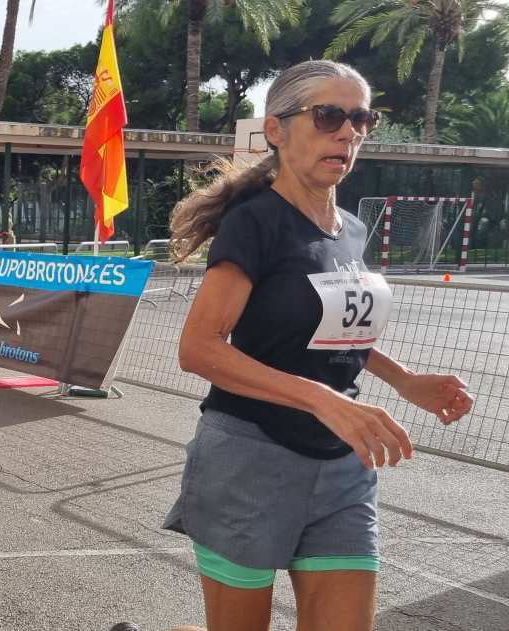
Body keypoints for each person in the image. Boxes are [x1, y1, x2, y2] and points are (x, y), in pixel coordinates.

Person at [113, 60, 475, 631]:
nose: (349, 132)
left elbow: (328, 331)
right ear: (276, 130)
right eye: (329, 115)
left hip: (342, 463)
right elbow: (199, 349)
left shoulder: (352, 228)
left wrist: (403, 379)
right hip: (251, 457)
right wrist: (321, 398)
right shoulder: (254, 222)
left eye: (361, 118)